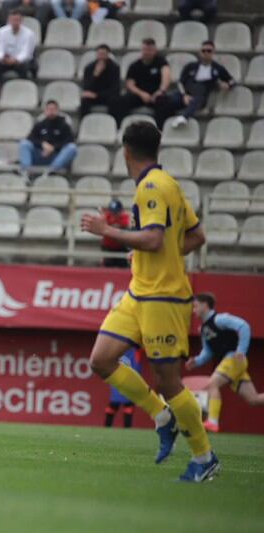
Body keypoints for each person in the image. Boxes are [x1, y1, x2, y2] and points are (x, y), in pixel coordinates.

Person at [81, 121, 219, 482]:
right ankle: (162, 416)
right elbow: (195, 236)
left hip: (165, 295)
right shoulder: (168, 184)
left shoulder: (152, 187)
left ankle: (204, 457)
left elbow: (155, 238)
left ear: (125, 150)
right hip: (139, 290)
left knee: (169, 380)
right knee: (102, 359)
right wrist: (143, 257)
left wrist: (107, 231)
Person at [187, 293, 264, 433]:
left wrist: (241, 350)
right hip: (231, 363)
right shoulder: (203, 329)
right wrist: (196, 361)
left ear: (205, 305)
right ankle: (212, 421)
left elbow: (244, 326)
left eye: (196, 306)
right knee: (254, 399)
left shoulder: (220, 319)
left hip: (233, 359)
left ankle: (212, 421)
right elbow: (207, 352)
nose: (194, 310)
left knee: (212, 384)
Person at [168, 41, 236, 129]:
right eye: (204, 51)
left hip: (201, 95)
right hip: (186, 92)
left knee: (200, 94)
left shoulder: (218, 68)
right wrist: (184, 95)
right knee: (166, 101)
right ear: (200, 52)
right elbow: (181, 82)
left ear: (213, 52)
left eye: (209, 51)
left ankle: (184, 117)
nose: (206, 53)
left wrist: (228, 85)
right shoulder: (191, 66)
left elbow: (232, 80)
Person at [110, 38, 171, 128]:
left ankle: (160, 129)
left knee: (165, 104)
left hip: (156, 94)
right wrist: (142, 94)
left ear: (155, 51)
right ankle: (119, 128)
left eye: (150, 50)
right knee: (119, 102)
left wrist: (159, 92)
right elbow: (130, 84)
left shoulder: (162, 63)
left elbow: (166, 79)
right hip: (139, 95)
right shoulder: (135, 65)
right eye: (145, 50)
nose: (147, 52)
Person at [19, 100, 77, 174]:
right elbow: (31, 138)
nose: (51, 111)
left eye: (53, 109)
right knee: (24, 143)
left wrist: (53, 148)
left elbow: (69, 140)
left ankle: (51, 172)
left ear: (58, 111)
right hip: (41, 154)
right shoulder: (40, 124)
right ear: (45, 111)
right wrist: (43, 144)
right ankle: (25, 172)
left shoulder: (64, 125)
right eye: (49, 109)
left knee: (72, 148)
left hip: (56, 156)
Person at [0, 9, 36, 87]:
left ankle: (23, 89)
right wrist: (3, 58)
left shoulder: (29, 34)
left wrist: (16, 60)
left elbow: (26, 52)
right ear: (9, 20)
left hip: (21, 62)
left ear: (21, 20)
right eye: (13, 20)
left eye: (17, 20)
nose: (15, 22)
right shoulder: (2, 32)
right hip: (6, 60)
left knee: (24, 67)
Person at [105, 348, 143, 428]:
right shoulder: (134, 351)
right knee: (117, 406)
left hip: (127, 383)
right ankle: (108, 428)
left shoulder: (134, 351)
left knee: (126, 407)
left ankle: (109, 427)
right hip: (123, 383)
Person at [80, 43, 120, 116]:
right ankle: (84, 122)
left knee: (115, 100)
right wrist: (95, 75)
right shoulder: (89, 68)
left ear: (108, 55)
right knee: (84, 101)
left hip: (106, 96)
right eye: (99, 54)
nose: (101, 56)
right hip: (93, 96)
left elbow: (115, 89)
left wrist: (97, 95)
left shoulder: (114, 68)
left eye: (103, 54)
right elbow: (86, 87)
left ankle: (114, 123)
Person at [100, 199, 130, 268]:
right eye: (112, 212)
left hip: (121, 247)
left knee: (123, 266)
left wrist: (111, 227)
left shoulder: (125, 217)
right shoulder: (106, 216)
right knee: (107, 267)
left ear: (121, 211)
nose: (114, 215)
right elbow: (103, 225)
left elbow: (123, 226)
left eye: (116, 213)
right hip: (108, 247)